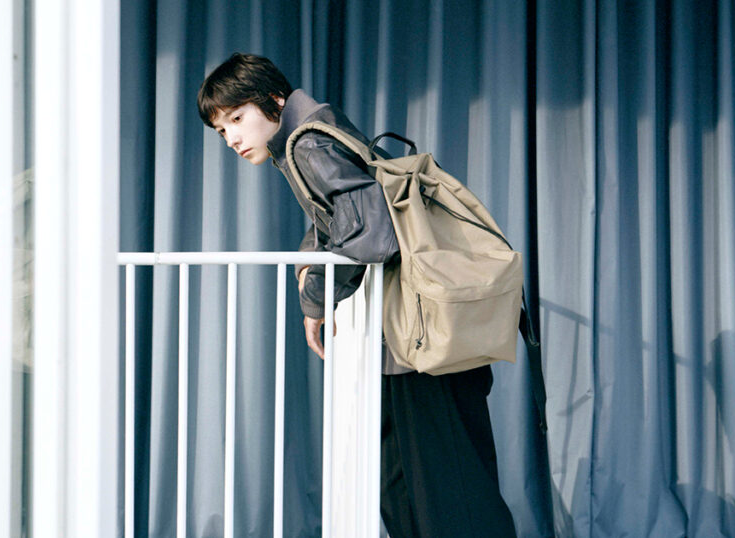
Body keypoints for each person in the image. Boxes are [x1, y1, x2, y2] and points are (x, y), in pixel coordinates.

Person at [198, 52, 517, 538]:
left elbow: (373, 233)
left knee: (447, 492)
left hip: (418, 341)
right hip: (414, 335)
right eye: (222, 131)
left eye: (237, 119)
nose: (233, 139)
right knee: (412, 487)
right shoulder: (315, 132)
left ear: (274, 100)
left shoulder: (308, 144)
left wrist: (315, 295)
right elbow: (340, 217)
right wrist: (313, 278)